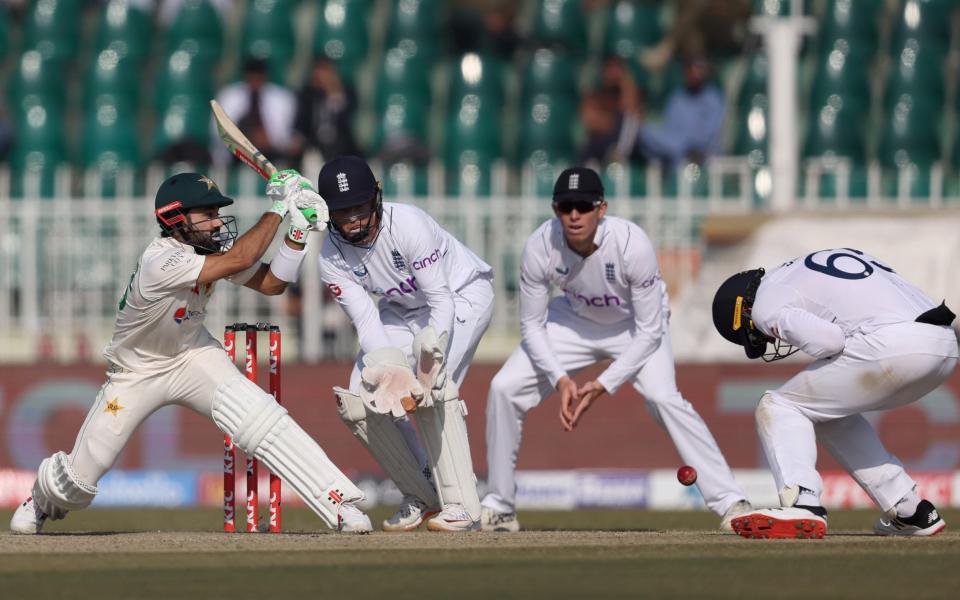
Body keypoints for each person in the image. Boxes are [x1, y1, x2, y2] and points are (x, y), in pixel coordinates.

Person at [9, 169, 375, 535]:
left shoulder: (207, 252)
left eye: (217, 212)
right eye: (208, 214)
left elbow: (273, 284)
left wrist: (297, 232)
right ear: (175, 218)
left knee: (260, 418)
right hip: (136, 372)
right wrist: (280, 207)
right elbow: (240, 259)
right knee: (80, 477)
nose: (217, 223)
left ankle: (338, 503)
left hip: (192, 356)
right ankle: (40, 500)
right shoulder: (162, 260)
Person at [481, 166, 751, 532]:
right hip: (574, 322)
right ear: (555, 208)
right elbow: (531, 324)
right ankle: (500, 505)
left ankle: (731, 502)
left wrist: (604, 383)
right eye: (565, 207)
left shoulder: (630, 244)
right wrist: (560, 379)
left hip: (634, 326)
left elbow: (650, 328)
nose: (574, 215)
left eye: (583, 206)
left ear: (601, 208)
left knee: (663, 397)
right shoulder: (539, 246)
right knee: (503, 388)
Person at [712, 249, 958, 539]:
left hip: (894, 345)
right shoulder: (798, 270)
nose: (768, 338)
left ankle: (802, 501)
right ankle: (909, 508)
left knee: (778, 406)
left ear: (744, 310)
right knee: (828, 413)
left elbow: (831, 341)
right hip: (945, 346)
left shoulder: (763, 305)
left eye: (758, 334)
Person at [317, 156, 494, 532]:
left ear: (376, 198)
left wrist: (429, 361)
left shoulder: (408, 224)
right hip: (400, 308)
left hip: (462, 295)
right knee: (360, 398)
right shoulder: (331, 257)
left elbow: (440, 299)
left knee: (433, 391)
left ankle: (463, 504)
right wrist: (391, 368)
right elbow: (366, 320)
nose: (353, 221)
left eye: (360, 208)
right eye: (342, 212)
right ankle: (421, 490)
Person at [638, 54, 725, 170]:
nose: (694, 73)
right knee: (644, 132)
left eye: (699, 68)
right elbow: (668, 132)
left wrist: (684, 147)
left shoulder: (714, 99)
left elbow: (707, 138)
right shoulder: (676, 99)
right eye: (690, 68)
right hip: (676, 157)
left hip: (704, 159)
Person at [212, 58, 298, 169]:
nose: (255, 82)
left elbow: (286, 135)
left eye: (258, 78)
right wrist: (249, 137)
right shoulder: (228, 96)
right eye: (252, 77)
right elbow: (217, 131)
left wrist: (270, 140)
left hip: (272, 153)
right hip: (236, 155)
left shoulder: (282, 98)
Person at [293, 57, 361, 161]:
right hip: (314, 147)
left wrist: (331, 89)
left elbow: (346, 117)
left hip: (340, 146)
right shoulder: (308, 94)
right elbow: (301, 123)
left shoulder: (347, 91)